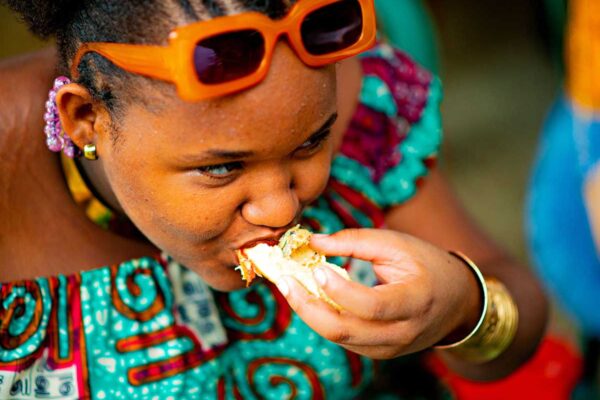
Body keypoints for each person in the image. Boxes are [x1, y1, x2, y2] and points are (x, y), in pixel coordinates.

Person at [0, 0, 547, 398]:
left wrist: (463, 308)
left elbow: (519, 314)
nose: (282, 210)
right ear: (85, 118)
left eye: (311, 143)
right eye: (221, 167)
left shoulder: (361, 103)